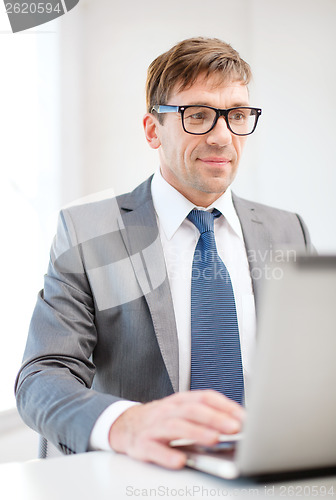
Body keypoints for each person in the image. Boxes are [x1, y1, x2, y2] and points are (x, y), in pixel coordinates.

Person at [15, 37, 312, 470]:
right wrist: (127, 423)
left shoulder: (288, 231)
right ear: (153, 130)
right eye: (198, 116)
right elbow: (42, 377)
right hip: (137, 480)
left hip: (266, 476)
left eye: (238, 116)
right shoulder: (87, 231)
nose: (222, 136)